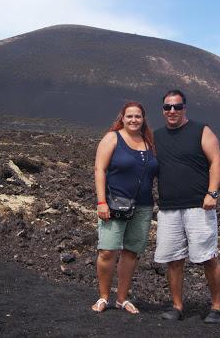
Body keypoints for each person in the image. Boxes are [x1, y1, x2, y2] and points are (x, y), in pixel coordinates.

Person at [153, 89, 220, 324]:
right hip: (168, 207)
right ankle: (176, 306)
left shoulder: (201, 131)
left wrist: (212, 193)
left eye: (177, 106)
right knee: (173, 260)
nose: (172, 111)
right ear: (163, 110)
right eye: (167, 107)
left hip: (198, 206)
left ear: (185, 107)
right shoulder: (157, 136)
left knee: (208, 256)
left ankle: (215, 307)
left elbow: (216, 162)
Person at [91, 101, 158, 314]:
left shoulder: (149, 142)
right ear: (122, 117)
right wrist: (101, 202)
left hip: (143, 207)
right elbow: (99, 169)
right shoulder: (113, 138)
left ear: (143, 118)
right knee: (108, 250)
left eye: (137, 116)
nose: (133, 120)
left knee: (131, 253)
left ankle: (121, 298)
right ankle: (103, 297)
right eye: (129, 116)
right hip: (114, 204)